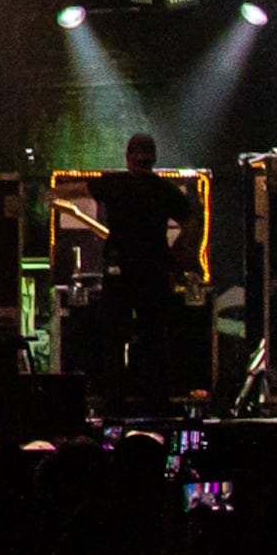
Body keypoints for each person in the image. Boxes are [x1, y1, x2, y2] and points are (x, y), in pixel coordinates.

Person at [81, 133, 191, 411]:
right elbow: (193, 219)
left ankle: (114, 404)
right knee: (155, 338)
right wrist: (177, 254)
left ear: (128, 158)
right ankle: (156, 402)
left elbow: (77, 189)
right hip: (154, 273)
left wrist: (51, 194)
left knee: (114, 339)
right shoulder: (164, 190)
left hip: (121, 272)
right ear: (153, 159)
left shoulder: (115, 184)